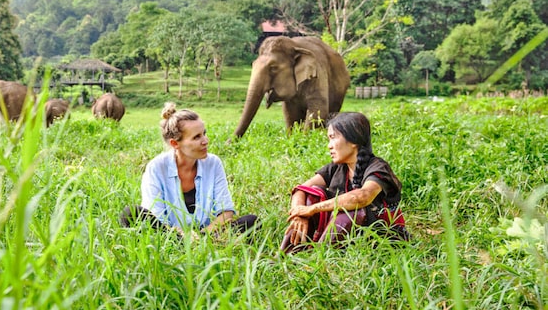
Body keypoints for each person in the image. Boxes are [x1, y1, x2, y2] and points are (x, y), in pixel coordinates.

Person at [120, 102, 259, 239]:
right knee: (131, 213)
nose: (205, 140)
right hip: (170, 234)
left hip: (207, 234)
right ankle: (181, 245)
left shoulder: (213, 163)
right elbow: (156, 217)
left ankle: (204, 244)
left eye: (204, 134)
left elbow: (226, 212)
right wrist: (182, 236)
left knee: (252, 222)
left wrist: (203, 234)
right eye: (196, 137)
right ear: (175, 143)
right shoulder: (156, 167)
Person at [281, 112, 409, 253]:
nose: (329, 146)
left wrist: (313, 209)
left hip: (381, 240)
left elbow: (361, 197)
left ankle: (320, 258)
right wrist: (300, 214)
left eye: (333, 138)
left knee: (351, 210)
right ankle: (287, 254)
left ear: (353, 140)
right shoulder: (336, 167)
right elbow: (300, 189)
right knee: (313, 194)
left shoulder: (378, 167)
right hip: (349, 240)